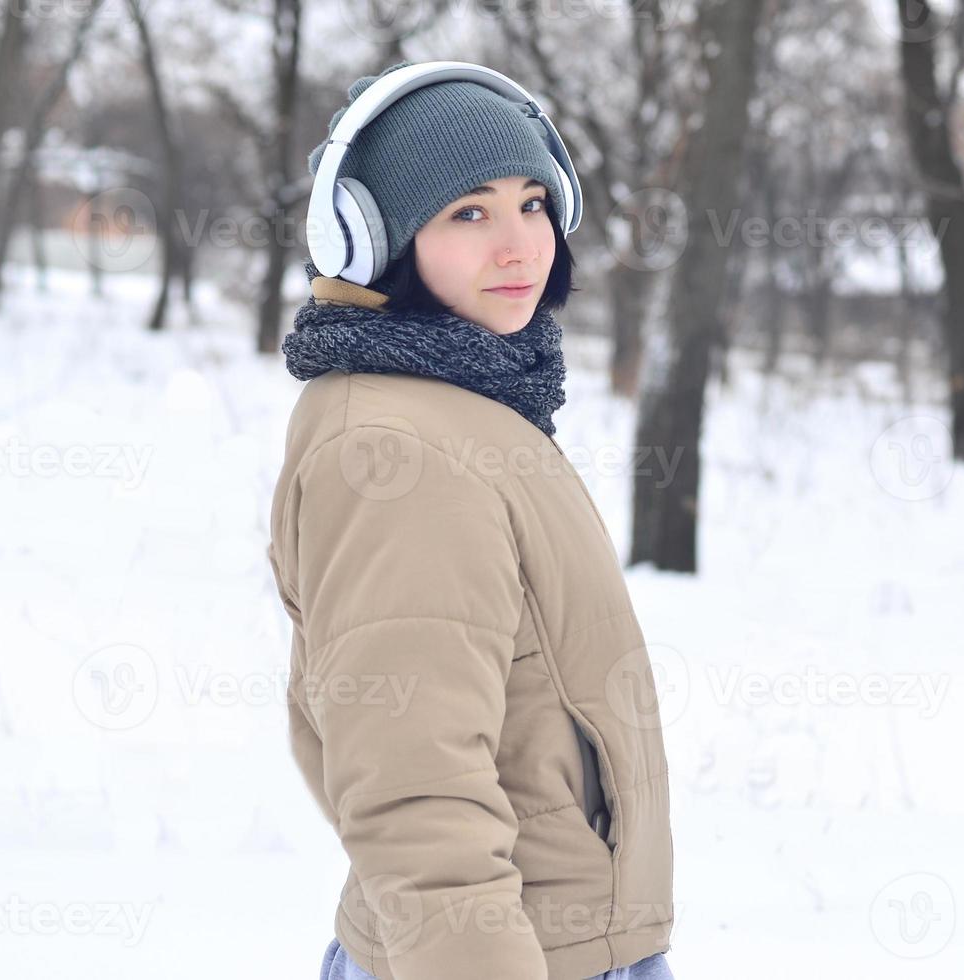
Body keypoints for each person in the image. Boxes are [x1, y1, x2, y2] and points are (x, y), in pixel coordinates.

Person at [266, 61, 676, 980]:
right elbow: (413, 789)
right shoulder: (401, 456)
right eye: (468, 212)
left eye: (533, 203)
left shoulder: (466, 405)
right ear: (375, 241)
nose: (520, 245)